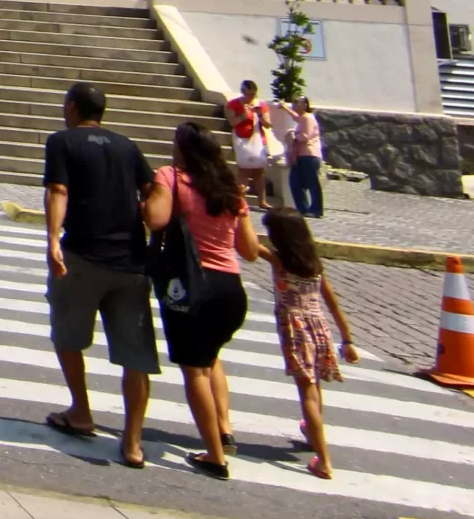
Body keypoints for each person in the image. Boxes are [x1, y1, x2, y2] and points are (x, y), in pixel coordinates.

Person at [42, 81, 170, 470]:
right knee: (136, 356)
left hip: (83, 256)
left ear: (71, 107)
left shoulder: (61, 142)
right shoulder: (127, 145)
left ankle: (81, 411)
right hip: (130, 261)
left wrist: (53, 240)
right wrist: (155, 234)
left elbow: (58, 190)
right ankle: (133, 442)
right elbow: (153, 189)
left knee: (67, 335)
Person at [147, 121, 261, 480]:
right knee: (210, 357)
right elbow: (250, 250)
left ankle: (215, 455)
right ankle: (224, 429)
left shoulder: (171, 176)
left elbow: (156, 219)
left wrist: (150, 196)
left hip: (193, 285)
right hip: (231, 290)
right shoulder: (229, 190)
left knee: (194, 369)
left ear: (183, 149)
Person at [259, 208, 359, 479]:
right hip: (319, 327)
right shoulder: (314, 264)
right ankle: (312, 433)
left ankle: (324, 460)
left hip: (296, 329)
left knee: (308, 394)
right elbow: (333, 304)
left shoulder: (279, 261)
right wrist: (347, 339)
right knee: (315, 388)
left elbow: (246, 244)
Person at [227, 80, 274, 206]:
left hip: (258, 140)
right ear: (243, 92)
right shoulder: (233, 104)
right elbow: (232, 122)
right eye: (248, 94)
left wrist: (260, 115)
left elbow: (268, 125)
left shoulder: (261, 105)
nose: (251, 97)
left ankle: (262, 201)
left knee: (259, 171)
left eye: (253, 94)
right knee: (243, 170)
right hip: (241, 140)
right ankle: (240, 200)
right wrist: (244, 115)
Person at [282, 97, 326, 218]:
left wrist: (293, 136)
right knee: (295, 182)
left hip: (309, 154)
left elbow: (305, 136)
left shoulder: (307, 118)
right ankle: (303, 209)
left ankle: (316, 210)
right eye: (293, 102)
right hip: (300, 155)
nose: (294, 105)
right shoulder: (302, 118)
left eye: (297, 102)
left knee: (312, 183)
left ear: (305, 105)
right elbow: (295, 117)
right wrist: (285, 108)